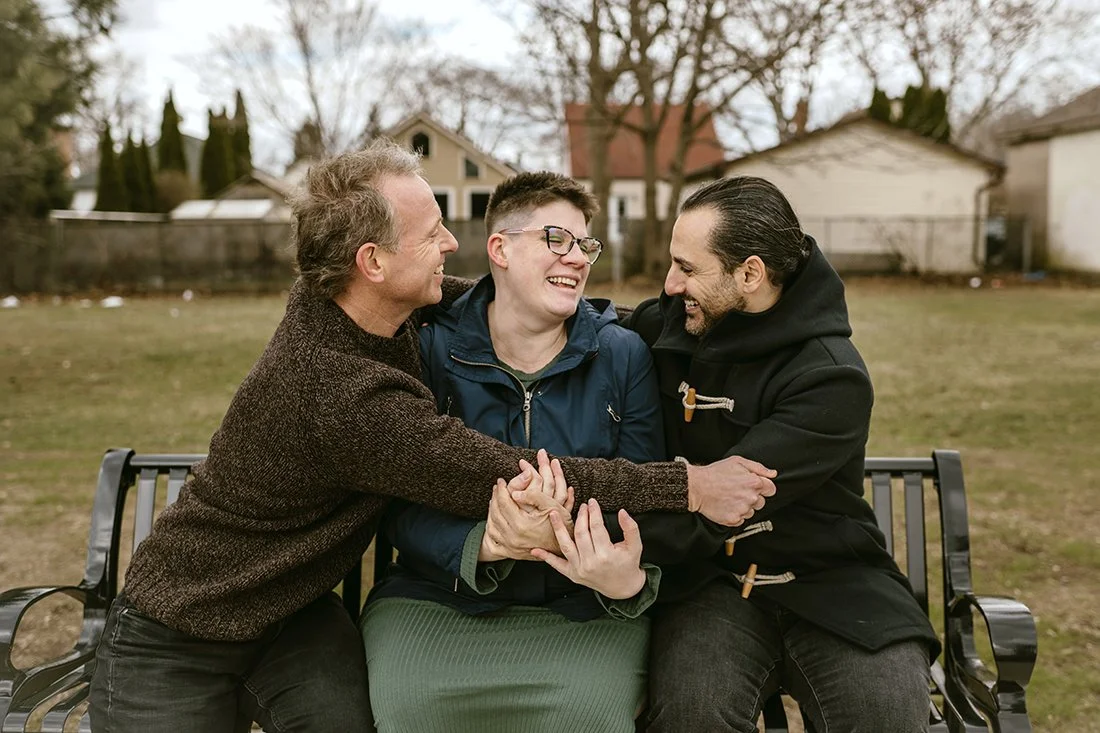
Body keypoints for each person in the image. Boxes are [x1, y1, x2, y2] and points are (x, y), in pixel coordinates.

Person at [86, 142, 776, 733]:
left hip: (291, 616)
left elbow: (486, 295)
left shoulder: (344, 299)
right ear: (373, 263)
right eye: (431, 235)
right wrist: (690, 483)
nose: (451, 243)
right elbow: (515, 471)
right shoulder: (341, 393)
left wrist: (608, 324)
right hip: (181, 626)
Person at [361, 171, 714, 732]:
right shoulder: (429, 347)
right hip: (440, 599)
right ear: (499, 249)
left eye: (585, 245)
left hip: (582, 609)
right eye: (556, 239)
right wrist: (488, 544)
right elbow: (395, 503)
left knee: (588, 717)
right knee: (410, 711)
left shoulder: (622, 355)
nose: (576, 258)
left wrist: (615, 570)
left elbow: (641, 496)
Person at [621, 176, 939, 732]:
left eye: (687, 268)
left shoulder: (831, 376)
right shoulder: (673, 324)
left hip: (832, 583)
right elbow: (582, 318)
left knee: (885, 714)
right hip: (711, 587)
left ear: (749, 273)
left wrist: (617, 536)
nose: (670, 285)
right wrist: (449, 290)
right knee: (691, 714)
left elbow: (730, 500)